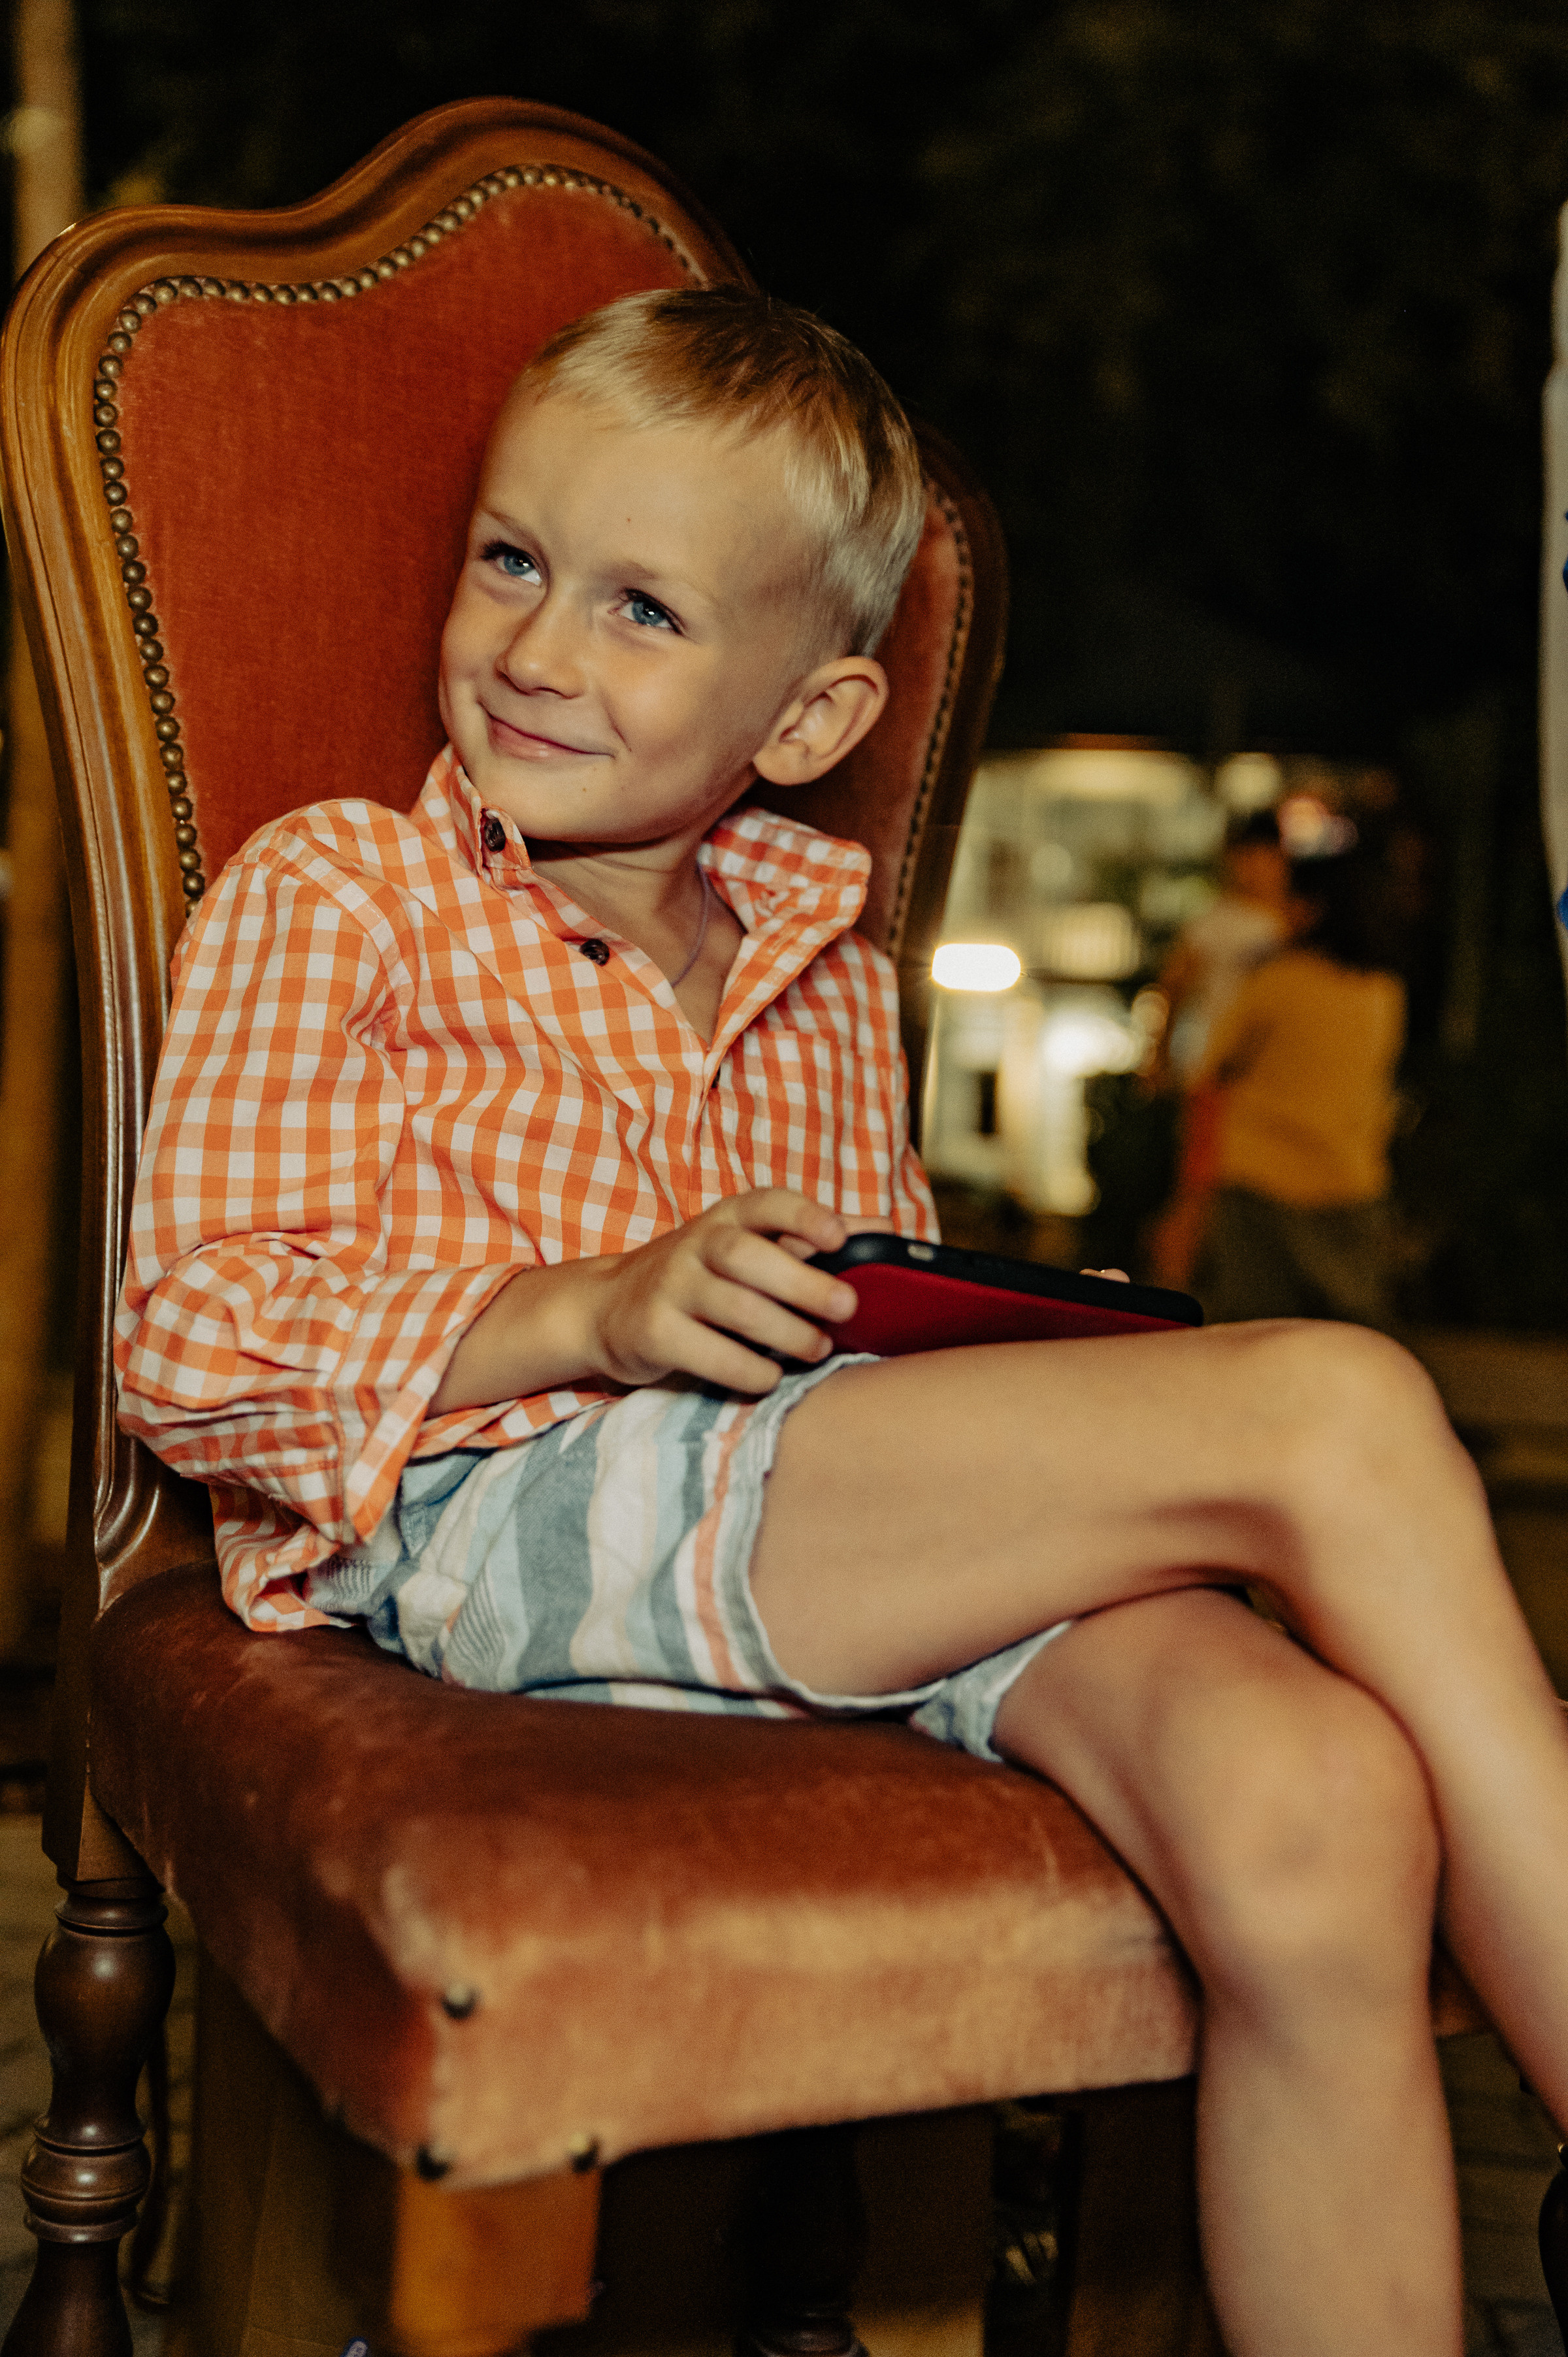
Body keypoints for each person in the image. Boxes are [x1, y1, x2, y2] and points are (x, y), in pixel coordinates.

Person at [116, 285, 1568, 2357]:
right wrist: (584, 1308)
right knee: (1333, 1404)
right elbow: (186, 1338)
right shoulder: (342, 891)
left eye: (642, 609)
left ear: (804, 719)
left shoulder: (826, 968)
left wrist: (968, 1349)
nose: (535, 647)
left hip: (803, 1537)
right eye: (514, 561)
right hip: (494, 1517)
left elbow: (852, 1378)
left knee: (1318, 1791)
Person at [1191, 846, 1406, 1329]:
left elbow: (1214, 1073)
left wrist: (1190, 1194)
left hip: (1260, 1182)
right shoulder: (1383, 991)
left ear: (1312, 908)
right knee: (1353, 1338)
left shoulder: (1275, 981)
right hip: (1350, 1181)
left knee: (1252, 1338)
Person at [1145, 809, 1290, 1289]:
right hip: (1217, 1075)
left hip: (1278, 1084)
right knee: (1200, 1187)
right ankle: (1171, 1286)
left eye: (1264, 856)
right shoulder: (1215, 922)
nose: (1254, 868)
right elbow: (1173, 989)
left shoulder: (1296, 923)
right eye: (1244, 856)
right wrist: (1158, 1057)